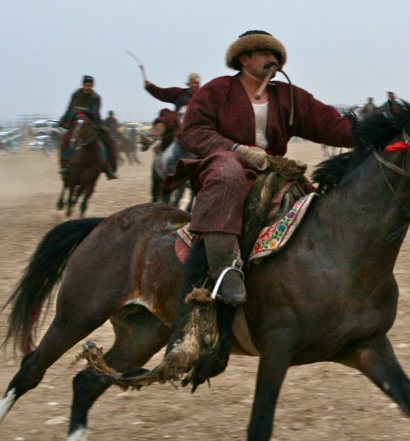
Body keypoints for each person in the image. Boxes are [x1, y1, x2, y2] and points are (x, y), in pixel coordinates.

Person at [178, 30, 355, 305]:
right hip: (226, 161)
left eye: (276, 55)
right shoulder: (217, 90)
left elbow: (328, 123)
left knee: (314, 204)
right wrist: (237, 150)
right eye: (265, 53)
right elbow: (194, 129)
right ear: (244, 58)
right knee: (228, 172)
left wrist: (373, 132)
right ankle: (224, 269)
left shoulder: (287, 96)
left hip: (273, 168)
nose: (272, 59)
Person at [58, 75, 117, 179]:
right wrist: (63, 119)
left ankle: (109, 167)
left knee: (108, 140)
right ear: (83, 84)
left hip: (92, 123)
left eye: (90, 85)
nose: (88, 87)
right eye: (86, 85)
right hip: (76, 122)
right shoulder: (75, 95)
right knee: (65, 140)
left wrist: (82, 112)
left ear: (92, 85)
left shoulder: (96, 97)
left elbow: (94, 112)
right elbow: (70, 108)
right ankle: (65, 165)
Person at [144, 72, 202, 150]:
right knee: (165, 119)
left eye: (196, 83)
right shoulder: (179, 93)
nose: (194, 85)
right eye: (192, 82)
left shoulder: (203, 97)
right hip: (176, 124)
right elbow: (162, 93)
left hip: (196, 125)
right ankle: (149, 140)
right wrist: (151, 87)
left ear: (199, 84)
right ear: (188, 84)